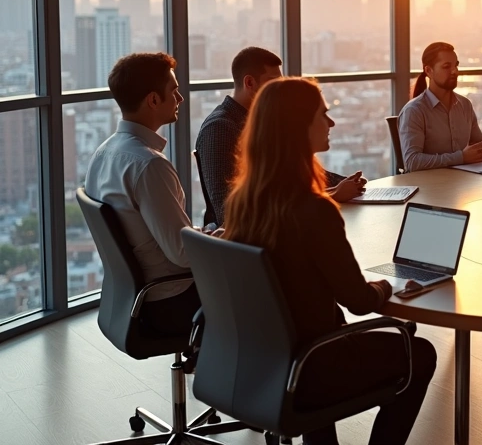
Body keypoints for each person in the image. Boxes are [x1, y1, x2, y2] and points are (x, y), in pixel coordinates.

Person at [222, 77, 437, 445]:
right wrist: (388, 284)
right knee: (420, 352)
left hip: (266, 361)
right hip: (312, 366)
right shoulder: (314, 210)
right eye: (323, 114)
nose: (331, 122)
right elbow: (358, 301)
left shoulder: (243, 202)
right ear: (299, 128)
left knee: (322, 333)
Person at [84, 53, 205, 336]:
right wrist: (224, 238)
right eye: (174, 91)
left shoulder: (102, 153)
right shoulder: (149, 165)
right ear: (153, 100)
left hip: (130, 298)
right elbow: (182, 254)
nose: (180, 98)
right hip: (170, 301)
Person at [195, 47, 365, 227]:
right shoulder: (219, 129)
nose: (279, 90)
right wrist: (332, 195)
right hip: (251, 239)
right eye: (273, 83)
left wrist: (348, 184)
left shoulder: (264, 122)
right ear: (250, 83)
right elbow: (228, 213)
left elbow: (299, 174)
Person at [398, 42, 482, 172]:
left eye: (456, 65)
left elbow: (481, 146)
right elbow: (412, 162)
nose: (454, 71)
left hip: (461, 183)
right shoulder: (414, 111)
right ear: (429, 71)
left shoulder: (465, 105)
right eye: (446, 66)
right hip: (428, 186)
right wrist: (461, 158)